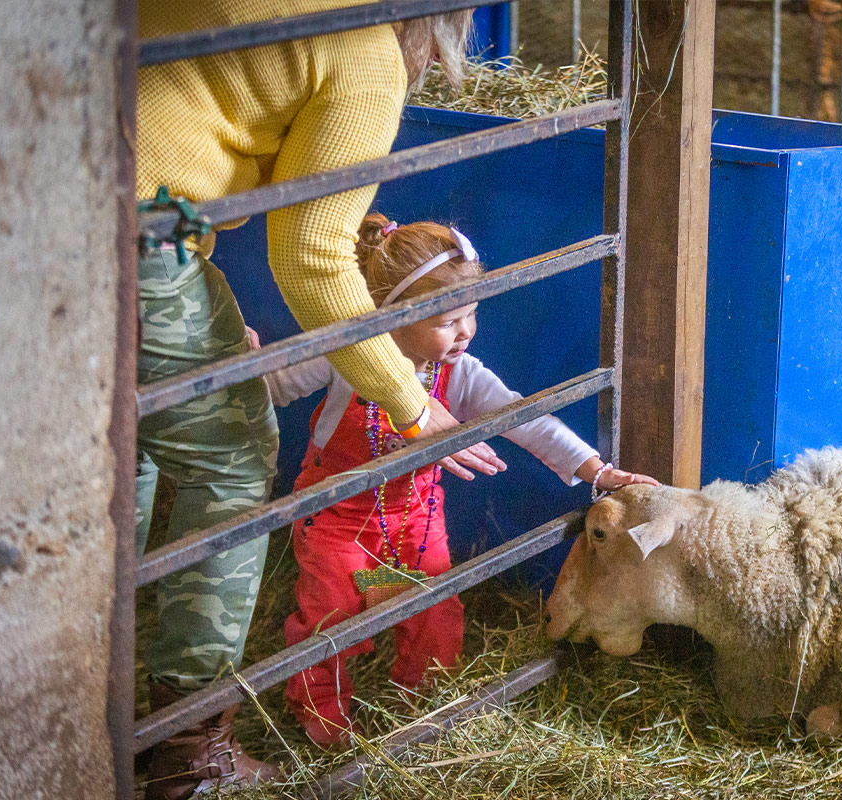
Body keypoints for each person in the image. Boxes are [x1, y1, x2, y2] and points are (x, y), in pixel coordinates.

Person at [134, 4, 497, 798]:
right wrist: (408, 400)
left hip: (17, 176)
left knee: (112, 438)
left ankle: (72, 671)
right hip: (137, 227)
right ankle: (189, 755)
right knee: (231, 461)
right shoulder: (365, 44)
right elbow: (309, 255)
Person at [264, 214, 659, 746]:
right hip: (337, 513)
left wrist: (596, 468)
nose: (466, 332)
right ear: (397, 314)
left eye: (472, 314)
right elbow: (277, 382)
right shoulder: (348, 354)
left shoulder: (462, 374)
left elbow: (525, 419)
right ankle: (322, 714)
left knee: (437, 615)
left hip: (418, 515)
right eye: (449, 321)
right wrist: (244, 363)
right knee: (330, 615)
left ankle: (420, 708)